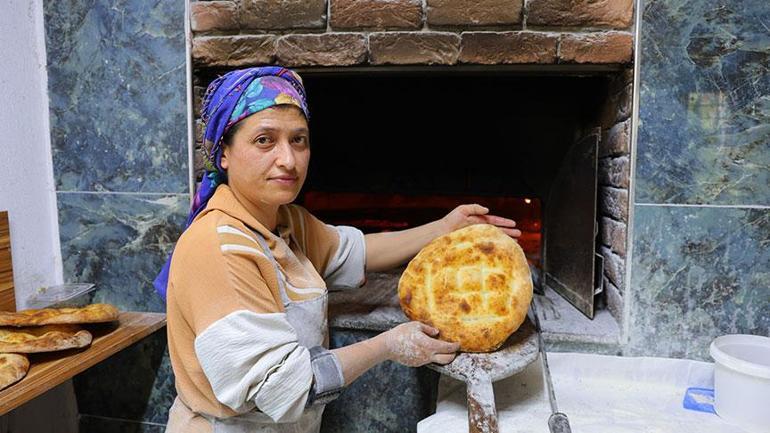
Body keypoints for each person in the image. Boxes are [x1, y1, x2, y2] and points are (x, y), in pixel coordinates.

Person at [155, 66, 521, 433]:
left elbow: (356, 251)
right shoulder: (218, 247)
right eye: (265, 140)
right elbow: (284, 389)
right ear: (224, 154)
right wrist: (389, 346)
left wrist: (444, 227)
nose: (288, 159)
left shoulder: (284, 222)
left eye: (298, 140)